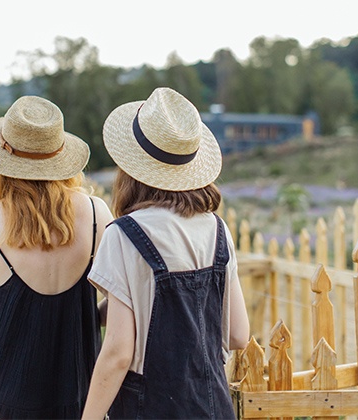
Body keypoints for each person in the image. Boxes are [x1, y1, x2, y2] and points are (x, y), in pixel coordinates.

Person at [82, 87, 250, 419]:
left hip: (149, 407)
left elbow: (118, 352)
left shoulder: (124, 235)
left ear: (131, 168)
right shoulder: (217, 230)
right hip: (212, 406)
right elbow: (237, 334)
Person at [0, 95, 113, 419]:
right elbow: (124, 301)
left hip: (2, 398)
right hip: (79, 396)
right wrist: (86, 312)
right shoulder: (95, 213)